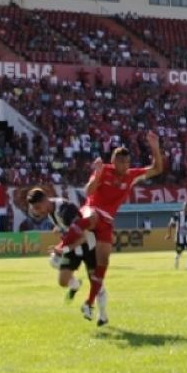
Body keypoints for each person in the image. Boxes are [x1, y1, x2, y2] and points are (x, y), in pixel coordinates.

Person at [52, 133, 164, 322]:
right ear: (114, 162)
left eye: (128, 162)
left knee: (103, 263)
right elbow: (88, 191)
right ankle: (60, 248)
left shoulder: (131, 176)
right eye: (122, 162)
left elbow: (157, 168)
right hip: (91, 210)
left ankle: (88, 303)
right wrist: (97, 173)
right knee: (93, 216)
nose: (126, 166)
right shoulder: (104, 170)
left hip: (107, 221)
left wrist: (155, 147)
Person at [27, 189, 109, 325]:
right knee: (62, 279)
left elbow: (82, 236)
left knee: (96, 282)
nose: (37, 211)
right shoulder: (50, 211)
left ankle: (103, 316)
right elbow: (68, 230)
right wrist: (60, 231)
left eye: (38, 207)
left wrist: (63, 248)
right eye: (34, 209)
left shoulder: (65, 210)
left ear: (45, 200)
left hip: (89, 245)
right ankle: (75, 285)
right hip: (73, 246)